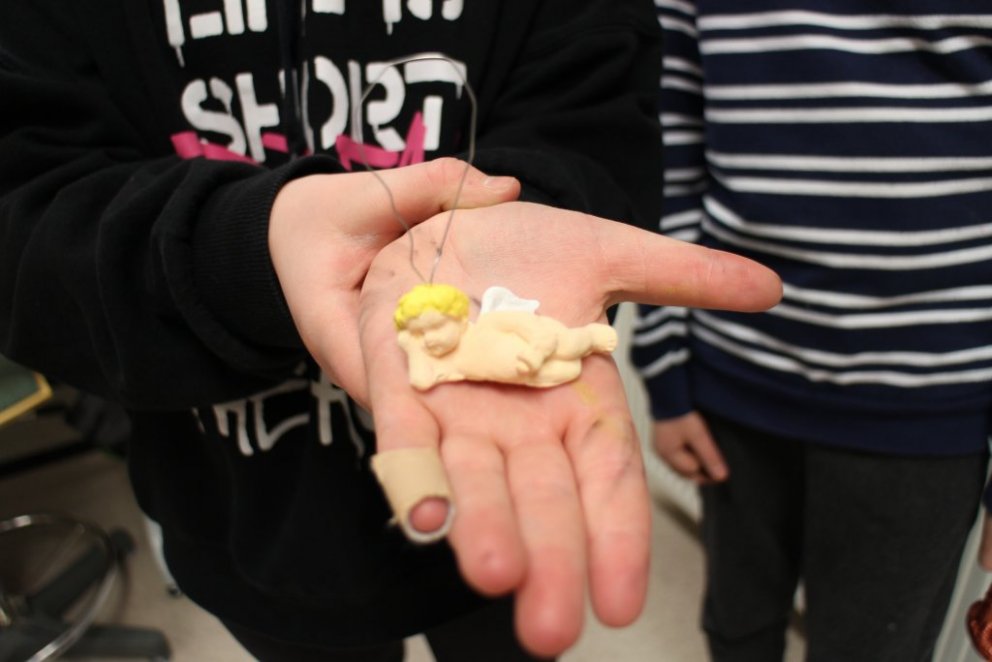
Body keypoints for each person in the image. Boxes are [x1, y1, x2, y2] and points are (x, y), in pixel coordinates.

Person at [0, 2, 783, 661]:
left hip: (498, 515)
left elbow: (599, 110)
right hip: (246, 525)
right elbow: (25, 209)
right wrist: (242, 249)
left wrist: (537, 207)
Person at [633, 2, 992, 661]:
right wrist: (665, 371)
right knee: (736, 629)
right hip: (731, 383)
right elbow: (672, 142)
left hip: (927, 407)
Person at [395, 283, 618, 389]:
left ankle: (589, 336)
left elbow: (532, 328)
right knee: (570, 370)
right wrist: (412, 348)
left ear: (460, 319)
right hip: (528, 375)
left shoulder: (489, 322)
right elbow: (421, 382)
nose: (429, 339)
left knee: (569, 347)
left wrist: (537, 351)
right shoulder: (451, 363)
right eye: (419, 333)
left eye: (436, 327)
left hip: (542, 342)